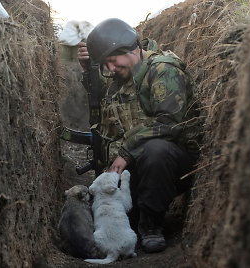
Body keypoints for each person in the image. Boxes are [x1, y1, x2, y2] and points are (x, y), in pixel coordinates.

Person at [77, 18, 201, 253]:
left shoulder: (163, 70)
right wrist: (89, 71)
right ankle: (137, 217)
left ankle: (151, 226)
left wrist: (126, 153)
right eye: (106, 65)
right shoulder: (123, 77)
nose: (111, 69)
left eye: (112, 61)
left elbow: (170, 123)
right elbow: (108, 104)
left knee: (157, 150)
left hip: (172, 163)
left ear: (129, 49)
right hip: (139, 168)